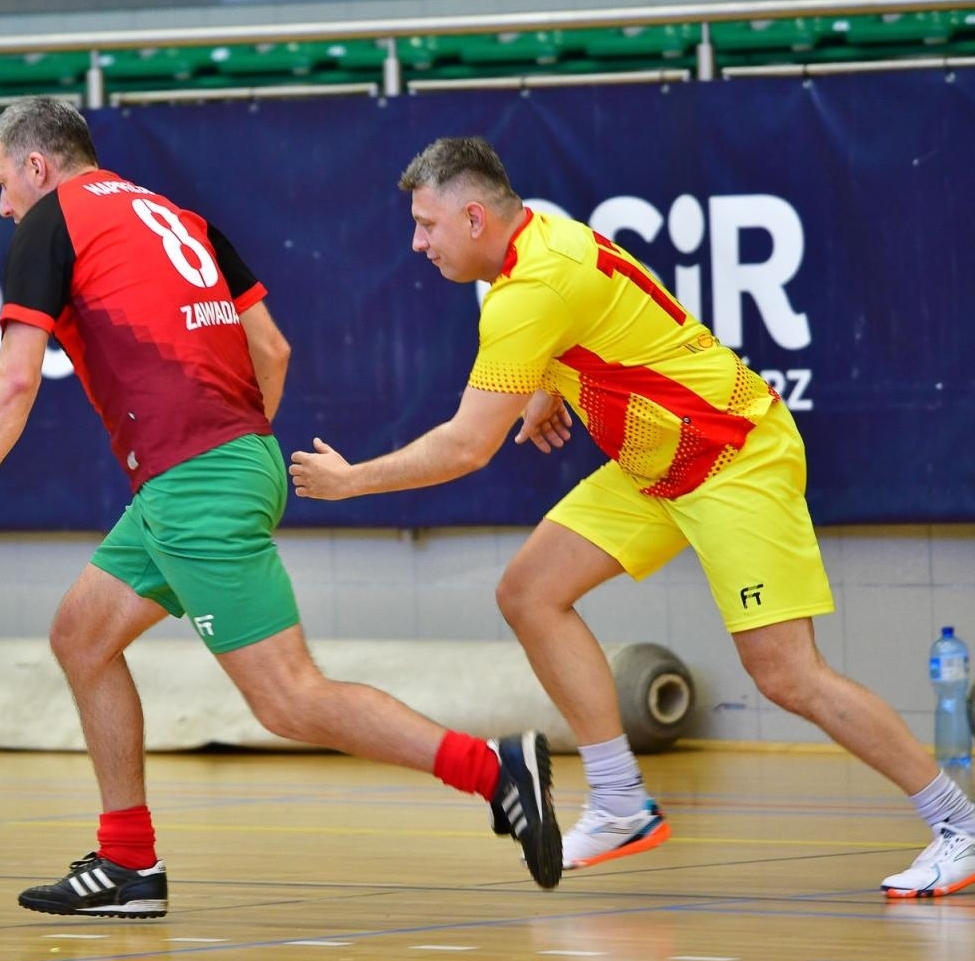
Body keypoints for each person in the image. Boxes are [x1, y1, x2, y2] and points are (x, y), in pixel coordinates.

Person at [289, 135, 975, 897]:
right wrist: (551, 385)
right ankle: (620, 803)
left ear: (476, 217)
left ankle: (959, 823)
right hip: (656, 464)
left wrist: (351, 482)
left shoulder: (529, 291)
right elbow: (615, 316)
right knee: (529, 592)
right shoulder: (542, 237)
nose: (417, 243)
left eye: (427, 225)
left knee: (787, 675)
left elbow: (464, 448)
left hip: (731, 454)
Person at [0, 98, 563, 916]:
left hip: (195, 481)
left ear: (37, 167)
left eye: (4, 184)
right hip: (227, 463)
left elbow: (15, 379)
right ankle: (129, 865)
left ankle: (495, 771)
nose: (4, 206)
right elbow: (272, 348)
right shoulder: (179, 216)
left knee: (288, 697)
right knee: (82, 637)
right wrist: (233, 451)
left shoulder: (52, 221)